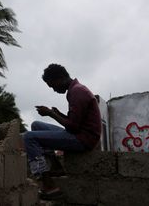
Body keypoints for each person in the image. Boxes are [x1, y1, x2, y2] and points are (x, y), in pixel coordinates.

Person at [22, 63, 101, 200]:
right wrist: (59, 114)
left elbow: (73, 127)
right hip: (80, 134)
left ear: (60, 78)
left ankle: (49, 187)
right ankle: (56, 167)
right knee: (36, 125)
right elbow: (75, 121)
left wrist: (51, 115)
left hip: (83, 140)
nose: (53, 90)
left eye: (52, 85)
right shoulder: (75, 90)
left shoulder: (77, 92)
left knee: (29, 137)